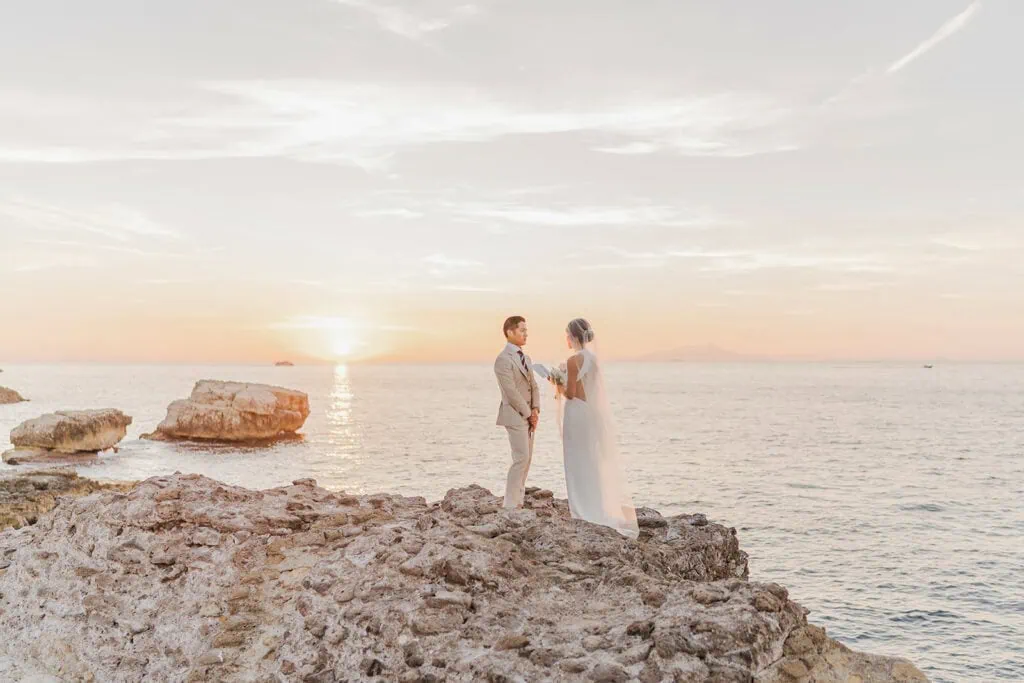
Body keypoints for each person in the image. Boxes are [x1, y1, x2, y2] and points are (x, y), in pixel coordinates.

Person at [558, 318, 639, 538]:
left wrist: (556, 381)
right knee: (590, 459)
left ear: (574, 336)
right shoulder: (593, 359)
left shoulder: (574, 360)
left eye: (567, 334)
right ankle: (597, 506)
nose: (566, 338)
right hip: (590, 414)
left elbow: (571, 392)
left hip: (576, 412)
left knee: (576, 458)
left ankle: (582, 510)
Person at [493, 315, 540, 509]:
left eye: (526, 331)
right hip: (514, 415)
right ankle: (510, 504)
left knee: (527, 459)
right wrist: (528, 413)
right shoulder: (502, 360)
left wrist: (536, 409)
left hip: (529, 415)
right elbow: (510, 391)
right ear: (510, 332)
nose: (526, 334)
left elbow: (533, 385)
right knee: (520, 458)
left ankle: (519, 499)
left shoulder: (526, 357)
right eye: (522, 331)